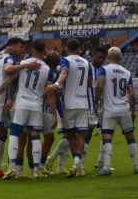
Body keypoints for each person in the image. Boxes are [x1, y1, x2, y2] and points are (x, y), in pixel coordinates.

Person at [0, 38, 40, 179]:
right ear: (11, 47)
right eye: (20, 47)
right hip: (0, 101)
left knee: (2, 135)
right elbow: (8, 69)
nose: (23, 50)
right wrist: (26, 65)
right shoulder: (10, 59)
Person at [0, 40, 58, 179]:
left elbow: (12, 81)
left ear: (32, 49)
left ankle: (12, 167)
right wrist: (54, 115)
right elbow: (50, 93)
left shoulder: (22, 64)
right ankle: (35, 170)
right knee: (35, 137)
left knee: (15, 135)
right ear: (43, 51)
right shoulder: (47, 69)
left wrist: (6, 97)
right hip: (36, 105)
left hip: (22, 103)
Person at [94, 47, 138, 176]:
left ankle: (106, 168)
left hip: (109, 110)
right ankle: (136, 166)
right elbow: (132, 94)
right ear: (120, 57)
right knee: (130, 137)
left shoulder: (103, 70)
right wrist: (133, 111)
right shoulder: (126, 72)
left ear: (108, 57)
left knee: (107, 138)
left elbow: (99, 85)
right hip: (124, 109)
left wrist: (96, 101)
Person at [46, 39, 92, 178]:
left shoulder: (65, 60)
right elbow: (89, 84)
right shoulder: (86, 63)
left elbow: (64, 74)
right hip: (83, 103)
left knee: (71, 136)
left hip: (69, 103)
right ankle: (78, 165)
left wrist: (56, 84)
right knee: (81, 136)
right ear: (79, 49)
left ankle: (76, 165)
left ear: (66, 49)